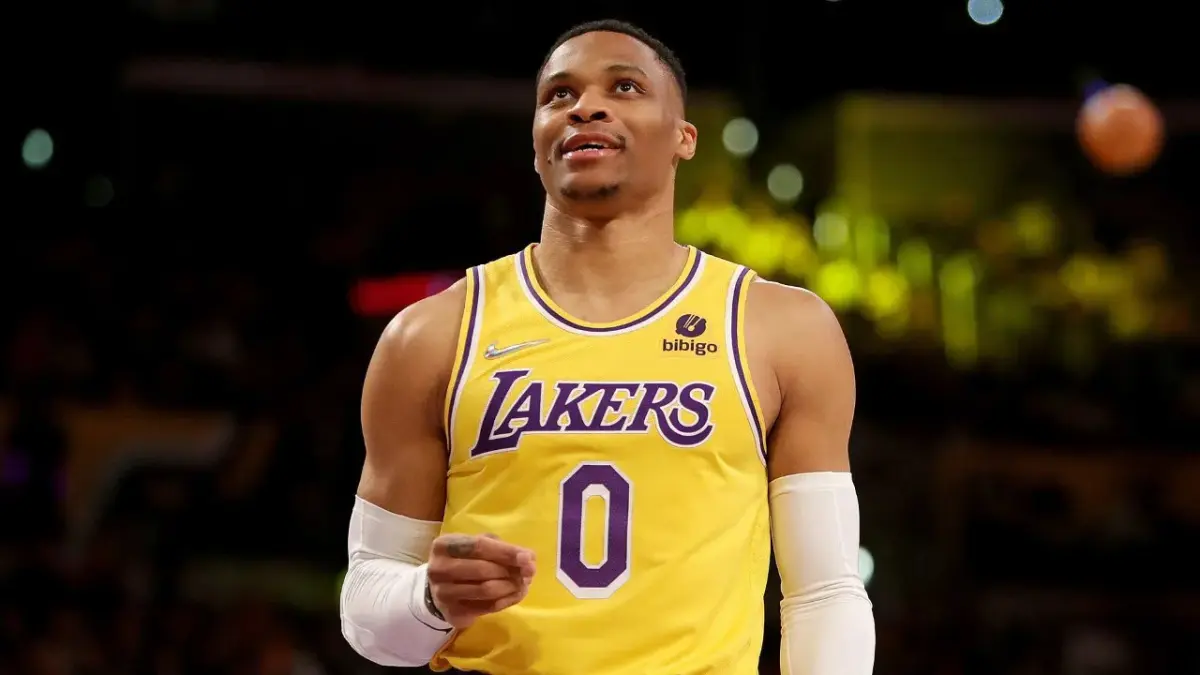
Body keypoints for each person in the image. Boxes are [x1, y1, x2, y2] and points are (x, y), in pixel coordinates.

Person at [339, 18, 875, 675]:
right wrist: (428, 597)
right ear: (536, 141)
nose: (585, 105)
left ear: (683, 138)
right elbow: (367, 610)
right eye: (559, 95)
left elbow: (824, 593)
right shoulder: (431, 335)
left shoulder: (782, 328)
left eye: (624, 87)